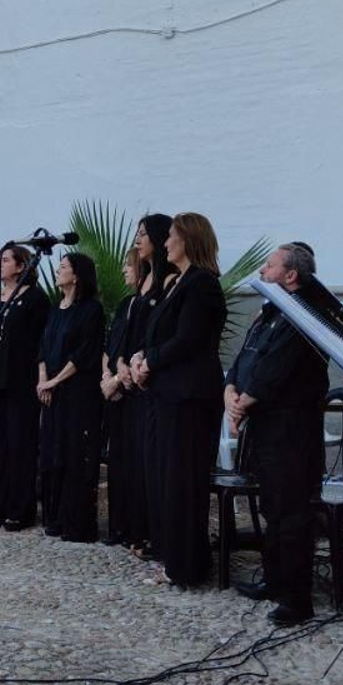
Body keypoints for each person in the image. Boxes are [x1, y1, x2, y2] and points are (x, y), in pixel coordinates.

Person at [227, 243, 329, 623]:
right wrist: (231, 391)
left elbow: (277, 367)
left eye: (269, 267)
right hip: (264, 422)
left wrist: (244, 401)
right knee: (272, 507)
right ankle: (274, 579)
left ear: (291, 275)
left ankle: (297, 598)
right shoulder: (272, 309)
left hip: (290, 425)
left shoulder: (303, 312)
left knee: (292, 511)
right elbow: (246, 357)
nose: (262, 272)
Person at [131, 212, 226, 587]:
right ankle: (172, 556)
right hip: (165, 395)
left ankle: (186, 565)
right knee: (163, 478)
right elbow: (160, 335)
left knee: (182, 481)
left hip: (189, 398)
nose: (165, 242)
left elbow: (188, 339)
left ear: (188, 239)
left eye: (171, 236)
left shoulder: (202, 284)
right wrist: (142, 358)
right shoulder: (176, 283)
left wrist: (149, 360)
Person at [0, 242, 50, 530]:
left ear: (21, 265)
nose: (1, 265)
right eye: (0, 260)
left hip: (21, 379)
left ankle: (20, 508)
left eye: (6, 260)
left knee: (20, 443)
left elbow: (39, 341)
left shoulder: (36, 299)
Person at [38, 252, 106, 541]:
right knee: (53, 454)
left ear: (77, 275)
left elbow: (83, 354)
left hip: (77, 394)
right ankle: (53, 517)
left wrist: (53, 381)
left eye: (63, 267)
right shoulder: (56, 308)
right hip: (52, 393)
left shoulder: (91, 310)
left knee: (74, 454)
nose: (57, 271)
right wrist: (43, 381)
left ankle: (75, 522)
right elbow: (43, 348)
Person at [118, 213, 175, 561]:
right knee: (134, 460)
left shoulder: (167, 280)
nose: (138, 239)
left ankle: (155, 534)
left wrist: (140, 365)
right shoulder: (143, 281)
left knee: (149, 462)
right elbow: (126, 334)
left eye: (143, 234)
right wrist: (122, 365)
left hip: (150, 379)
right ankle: (136, 529)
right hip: (131, 374)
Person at [100, 248, 141, 546]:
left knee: (133, 464)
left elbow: (135, 350)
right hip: (114, 390)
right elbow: (112, 347)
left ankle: (134, 528)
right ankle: (117, 526)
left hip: (133, 393)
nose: (124, 271)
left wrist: (117, 381)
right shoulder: (125, 303)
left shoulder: (144, 304)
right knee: (117, 463)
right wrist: (107, 377)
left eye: (128, 265)